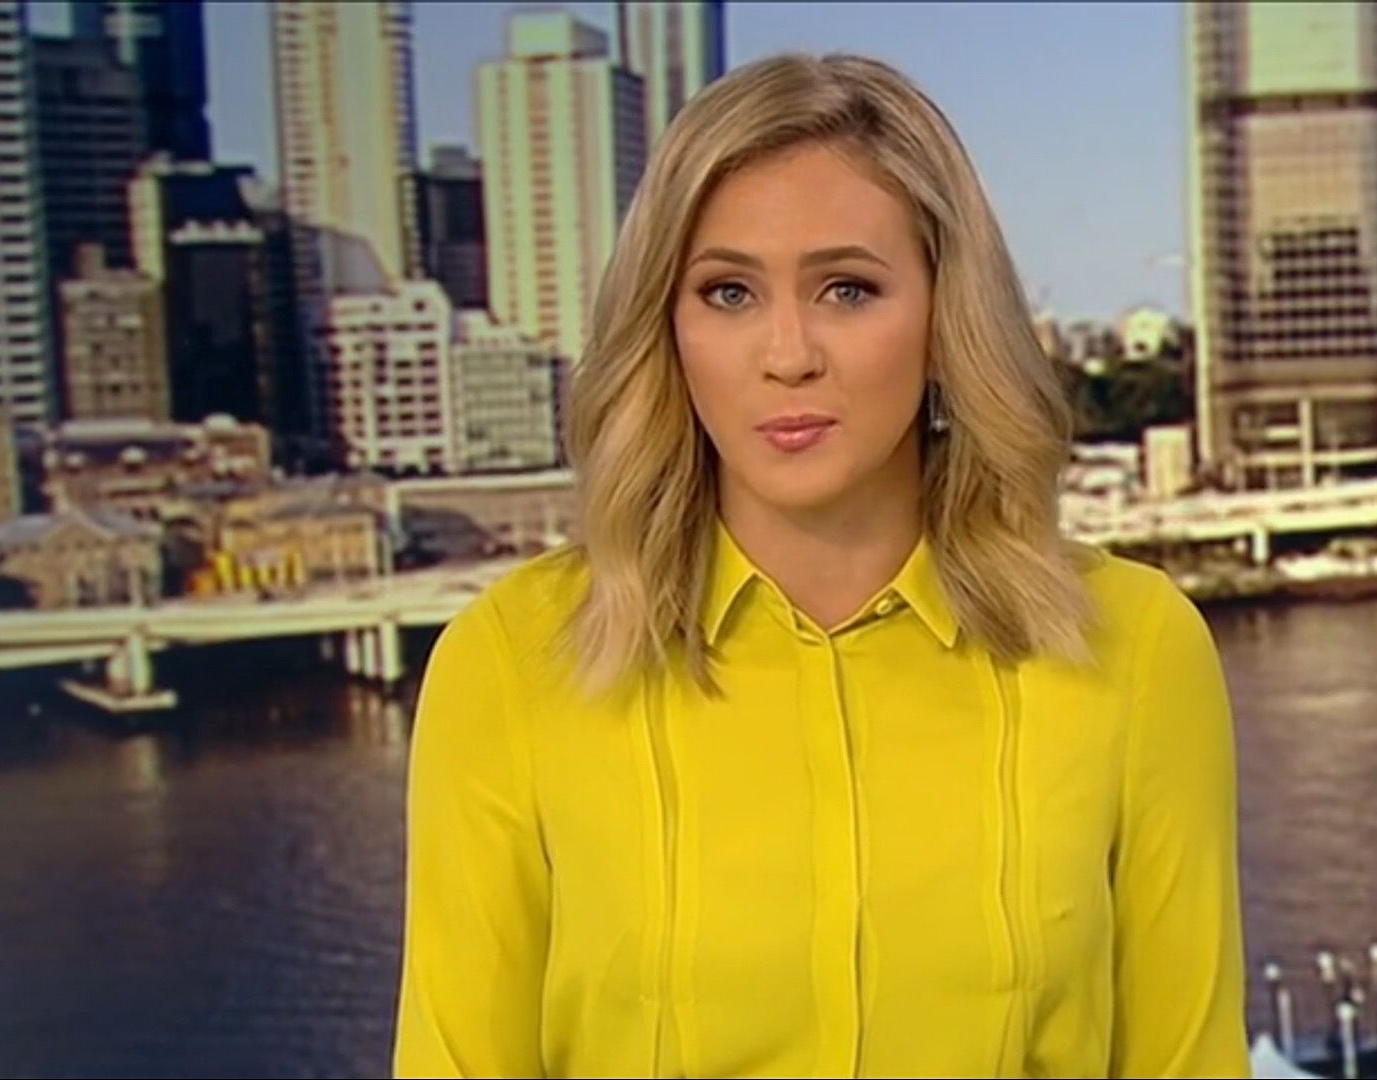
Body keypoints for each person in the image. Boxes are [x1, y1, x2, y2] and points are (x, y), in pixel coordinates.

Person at [393, 51, 1247, 1079]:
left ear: (945, 316)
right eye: (728, 292)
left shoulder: (1136, 652)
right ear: (667, 328)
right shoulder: (512, 667)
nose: (788, 353)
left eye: (848, 289)